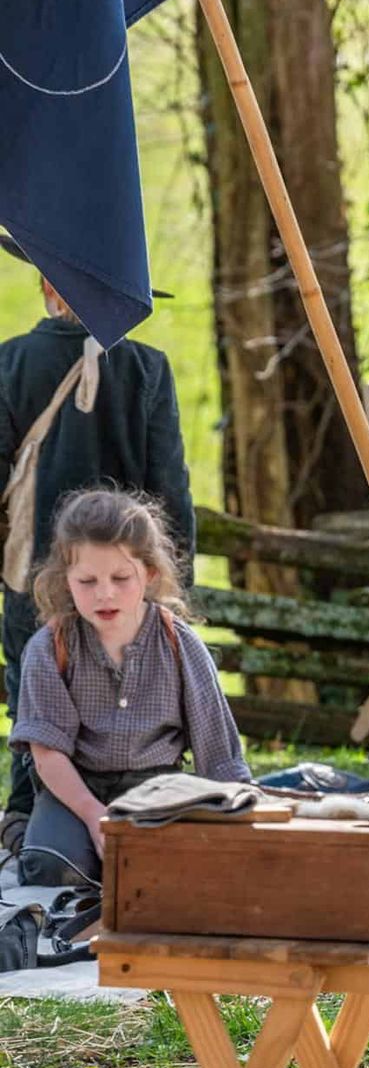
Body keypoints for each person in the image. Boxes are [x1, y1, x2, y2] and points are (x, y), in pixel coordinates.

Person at [0, 235, 194, 856]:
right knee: (126, 693)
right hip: (127, 585)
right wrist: (169, 581)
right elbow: (169, 489)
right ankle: (124, 816)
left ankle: (29, 815)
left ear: (49, 288)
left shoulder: (8, 364)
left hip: (30, 577)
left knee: (31, 695)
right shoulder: (146, 369)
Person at [9, 489, 250, 887]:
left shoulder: (179, 643)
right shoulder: (50, 648)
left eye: (121, 578)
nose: (105, 593)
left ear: (150, 574)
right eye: (87, 581)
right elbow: (47, 752)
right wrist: (91, 814)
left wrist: (241, 814)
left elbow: (218, 750)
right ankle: (27, 834)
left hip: (156, 788)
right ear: (66, 580)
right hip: (77, 787)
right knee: (49, 866)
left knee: (170, 868)